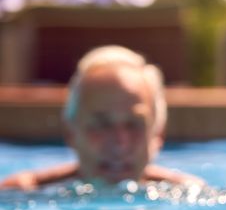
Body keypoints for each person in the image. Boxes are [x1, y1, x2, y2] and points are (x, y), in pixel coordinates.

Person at [0, 46, 202, 191]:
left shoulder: (191, 195)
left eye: (133, 124)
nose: (119, 143)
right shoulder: (18, 193)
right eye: (101, 124)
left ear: (158, 134)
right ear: (71, 133)